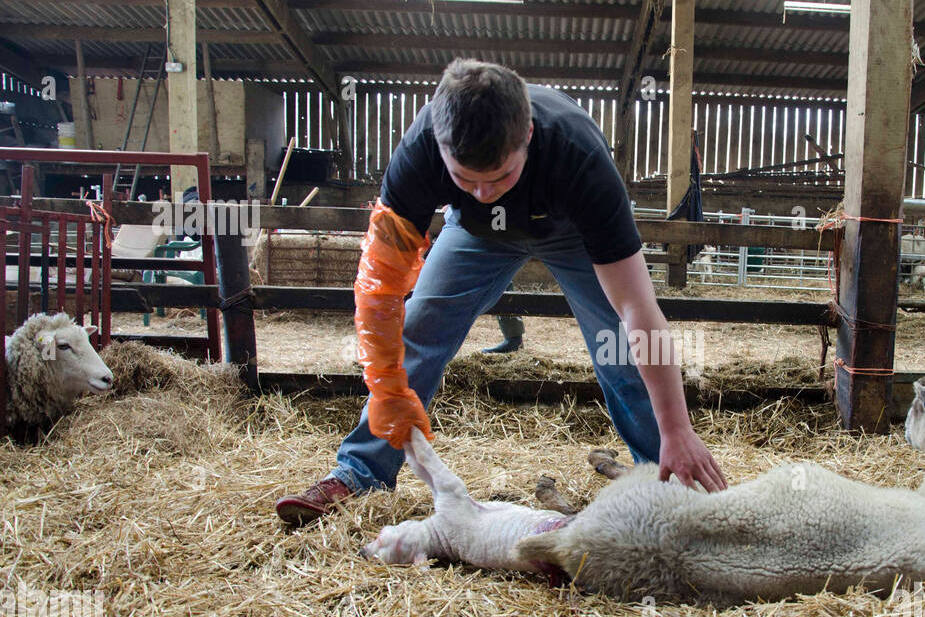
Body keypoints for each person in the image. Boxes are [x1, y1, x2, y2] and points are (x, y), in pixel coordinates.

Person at [276, 58, 727, 527]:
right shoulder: (420, 151)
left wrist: (678, 426)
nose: (486, 191)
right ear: (441, 147)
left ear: (528, 136)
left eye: (500, 177)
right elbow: (379, 287)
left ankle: (668, 477)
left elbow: (638, 306)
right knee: (421, 324)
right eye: (466, 178)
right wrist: (386, 385)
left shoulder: (578, 157)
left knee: (617, 343)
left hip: (568, 230)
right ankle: (361, 471)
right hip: (473, 231)